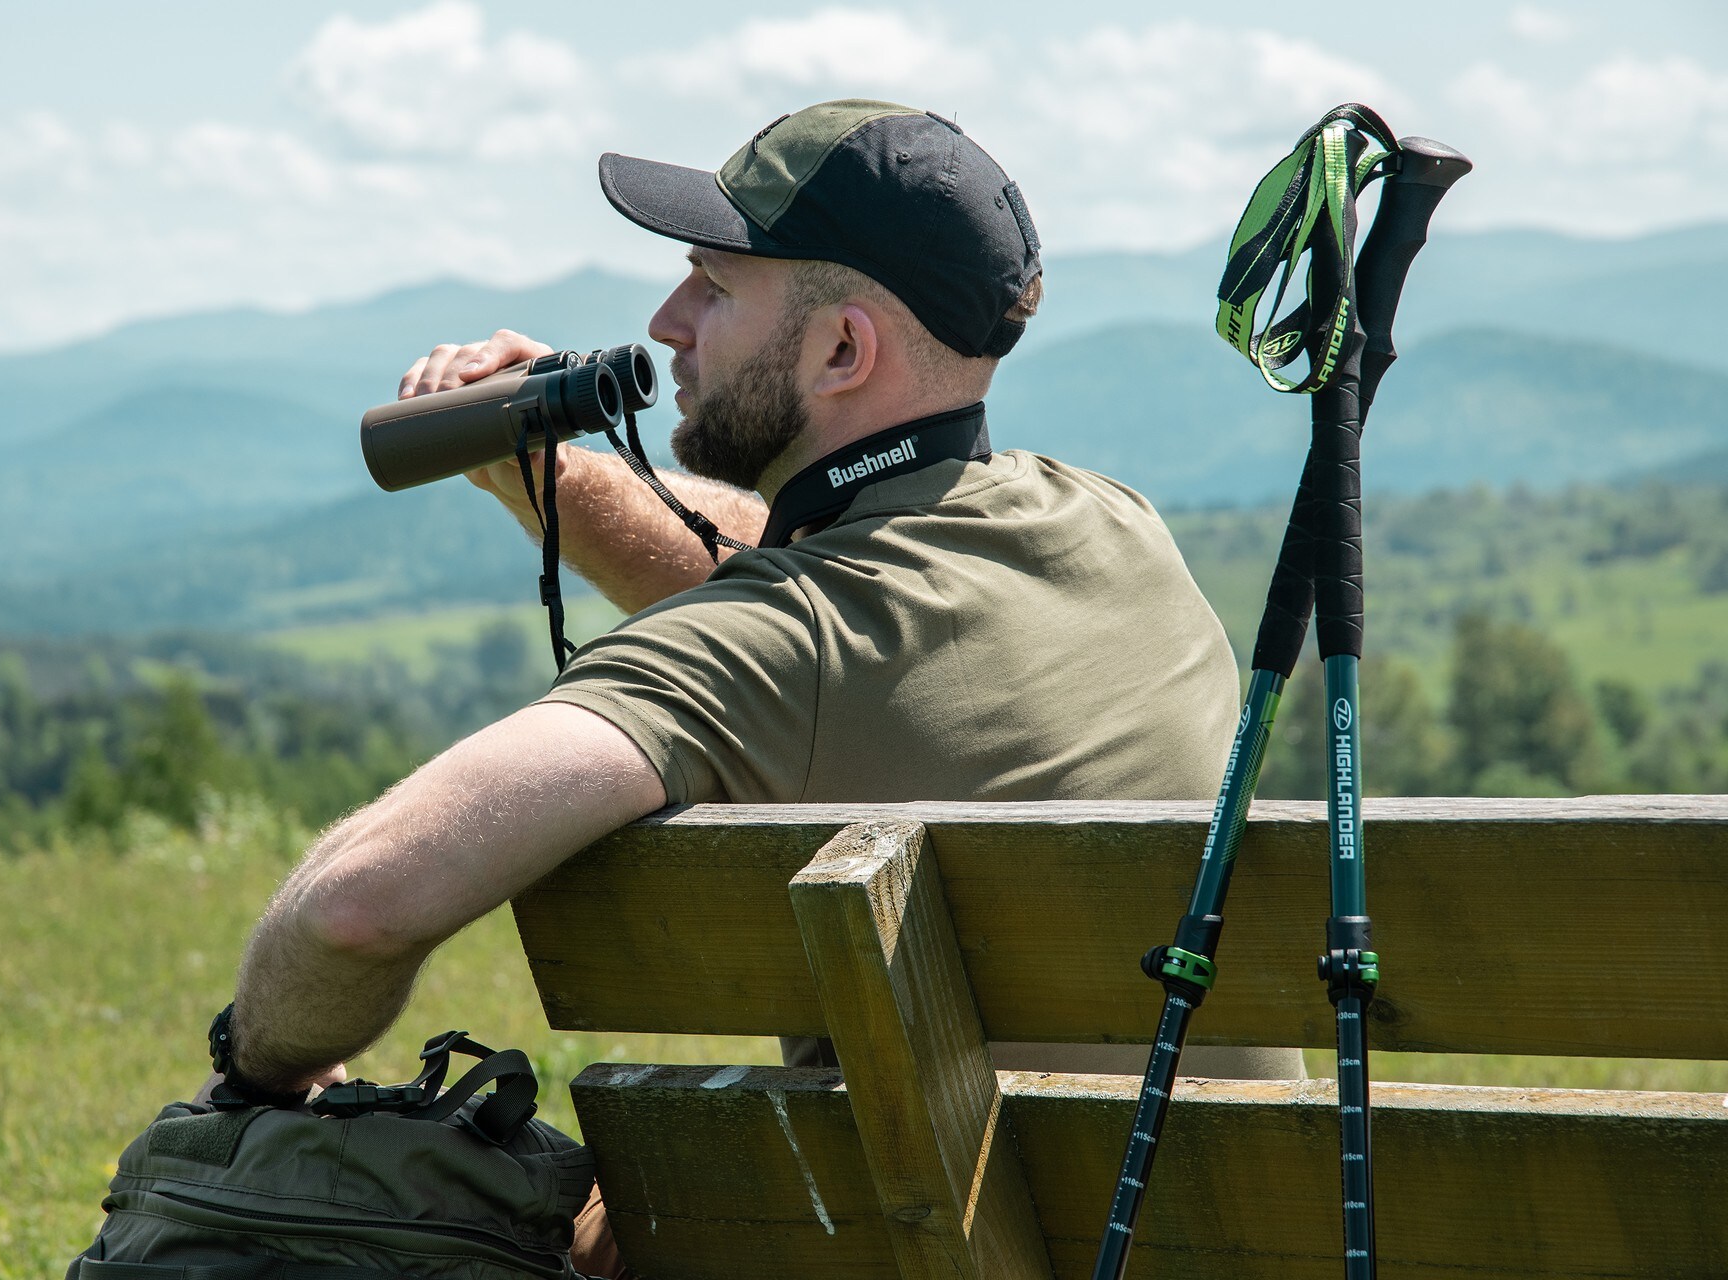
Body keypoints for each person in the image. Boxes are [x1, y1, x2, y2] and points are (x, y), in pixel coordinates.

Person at [217, 98, 1299, 1268]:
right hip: (1239, 1232)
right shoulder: (1113, 526)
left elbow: (354, 905)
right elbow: (805, 581)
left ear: (843, 350)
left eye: (715, 288)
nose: (667, 321)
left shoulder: (779, 647)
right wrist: (558, 482)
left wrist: (260, 1068)